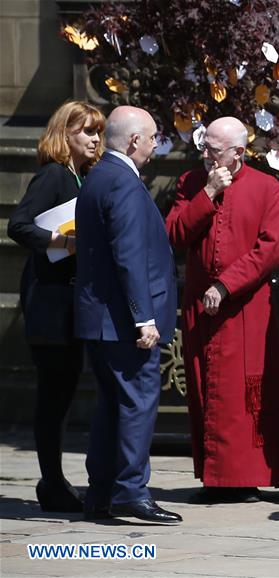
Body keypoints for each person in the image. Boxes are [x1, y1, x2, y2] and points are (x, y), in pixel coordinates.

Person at [165, 117, 279, 504]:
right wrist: (208, 193)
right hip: (201, 307)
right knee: (205, 390)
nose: (205, 155)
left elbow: (269, 249)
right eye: (204, 147)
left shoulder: (266, 186)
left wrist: (227, 284)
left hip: (244, 307)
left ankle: (244, 477)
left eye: (214, 150)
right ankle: (213, 478)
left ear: (238, 152)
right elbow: (174, 233)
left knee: (244, 396)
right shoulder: (190, 183)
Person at [74, 105, 181, 524]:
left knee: (111, 406)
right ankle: (131, 492)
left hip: (99, 320)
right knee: (137, 403)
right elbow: (130, 258)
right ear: (135, 140)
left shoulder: (98, 177)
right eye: (154, 138)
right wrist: (144, 318)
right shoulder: (123, 184)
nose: (156, 146)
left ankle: (100, 491)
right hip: (124, 322)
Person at [7, 100, 105, 512]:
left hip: (66, 302)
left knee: (62, 392)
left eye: (98, 131)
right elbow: (19, 225)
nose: (96, 139)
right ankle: (51, 482)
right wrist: (65, 242)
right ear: (65, 135)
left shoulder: (79, 177)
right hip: (49, 303)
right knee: (54, 396)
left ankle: (54, 482)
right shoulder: (53, 175)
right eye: (87, 131)